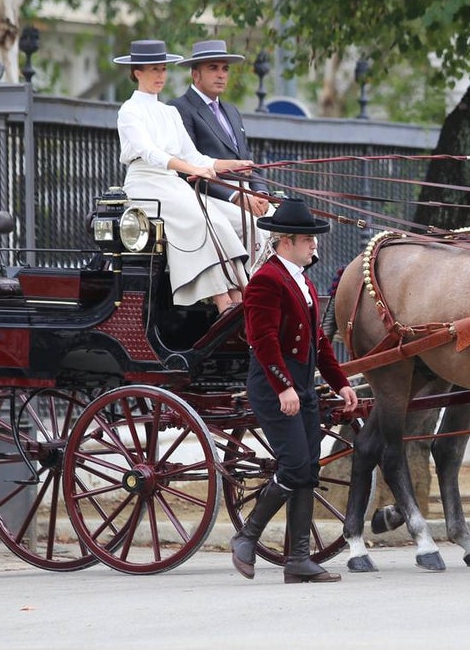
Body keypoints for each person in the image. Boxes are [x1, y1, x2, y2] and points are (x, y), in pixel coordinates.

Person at [230, 199, 358, 584]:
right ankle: (246, 536)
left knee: (307, 470)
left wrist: (340, 382)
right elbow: (263, 339)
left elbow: (318, 340)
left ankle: (298, 560)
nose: (314, 246)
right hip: (274, 387)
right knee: (295, 465)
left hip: (302, 385)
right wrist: (283, 386)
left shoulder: (301, 279)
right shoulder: (266, 280)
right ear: (285, 242)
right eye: (308, 240)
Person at [113, 39, 255, 315]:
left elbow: (196, 158)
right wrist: (192, 170)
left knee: (220, 221)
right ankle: (222, 301)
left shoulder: (169, 112)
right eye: (154, 69)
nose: (160, 76)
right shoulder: (129, 111)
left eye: (163, 69)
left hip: (171, 183)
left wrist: (234, 165)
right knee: (201, 220)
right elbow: (151, 153)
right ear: (137, 72)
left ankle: (240, 292)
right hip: (145, 183)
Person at [167, 39, 273, 263]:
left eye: (225, 69)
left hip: (248, 194)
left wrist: (261, 193)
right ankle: (257, 290)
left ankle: (293, 289)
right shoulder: (180, 108)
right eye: (213, 68)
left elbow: (248, 161)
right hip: (209, 194)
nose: (221, 74)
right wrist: (236, 197)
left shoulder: (231, 111)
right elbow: (188, 169)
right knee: (256, 228)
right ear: (195, 75)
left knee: (293, 227)